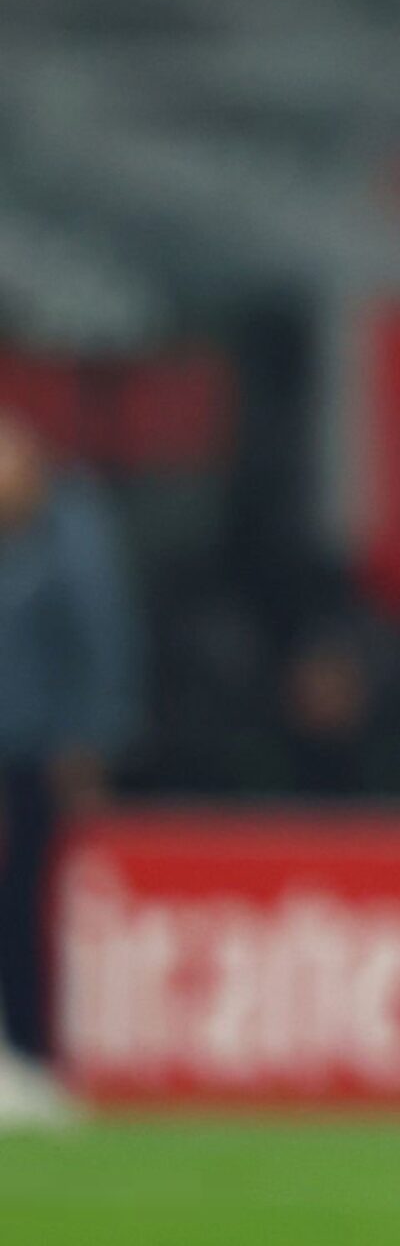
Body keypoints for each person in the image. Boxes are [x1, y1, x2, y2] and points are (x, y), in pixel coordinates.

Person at [0, 409, 142, 1119]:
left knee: (30, 907)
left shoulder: (73, 536)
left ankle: (29, 1052)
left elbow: (101, 642)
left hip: (35, 757)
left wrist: (86, 742)